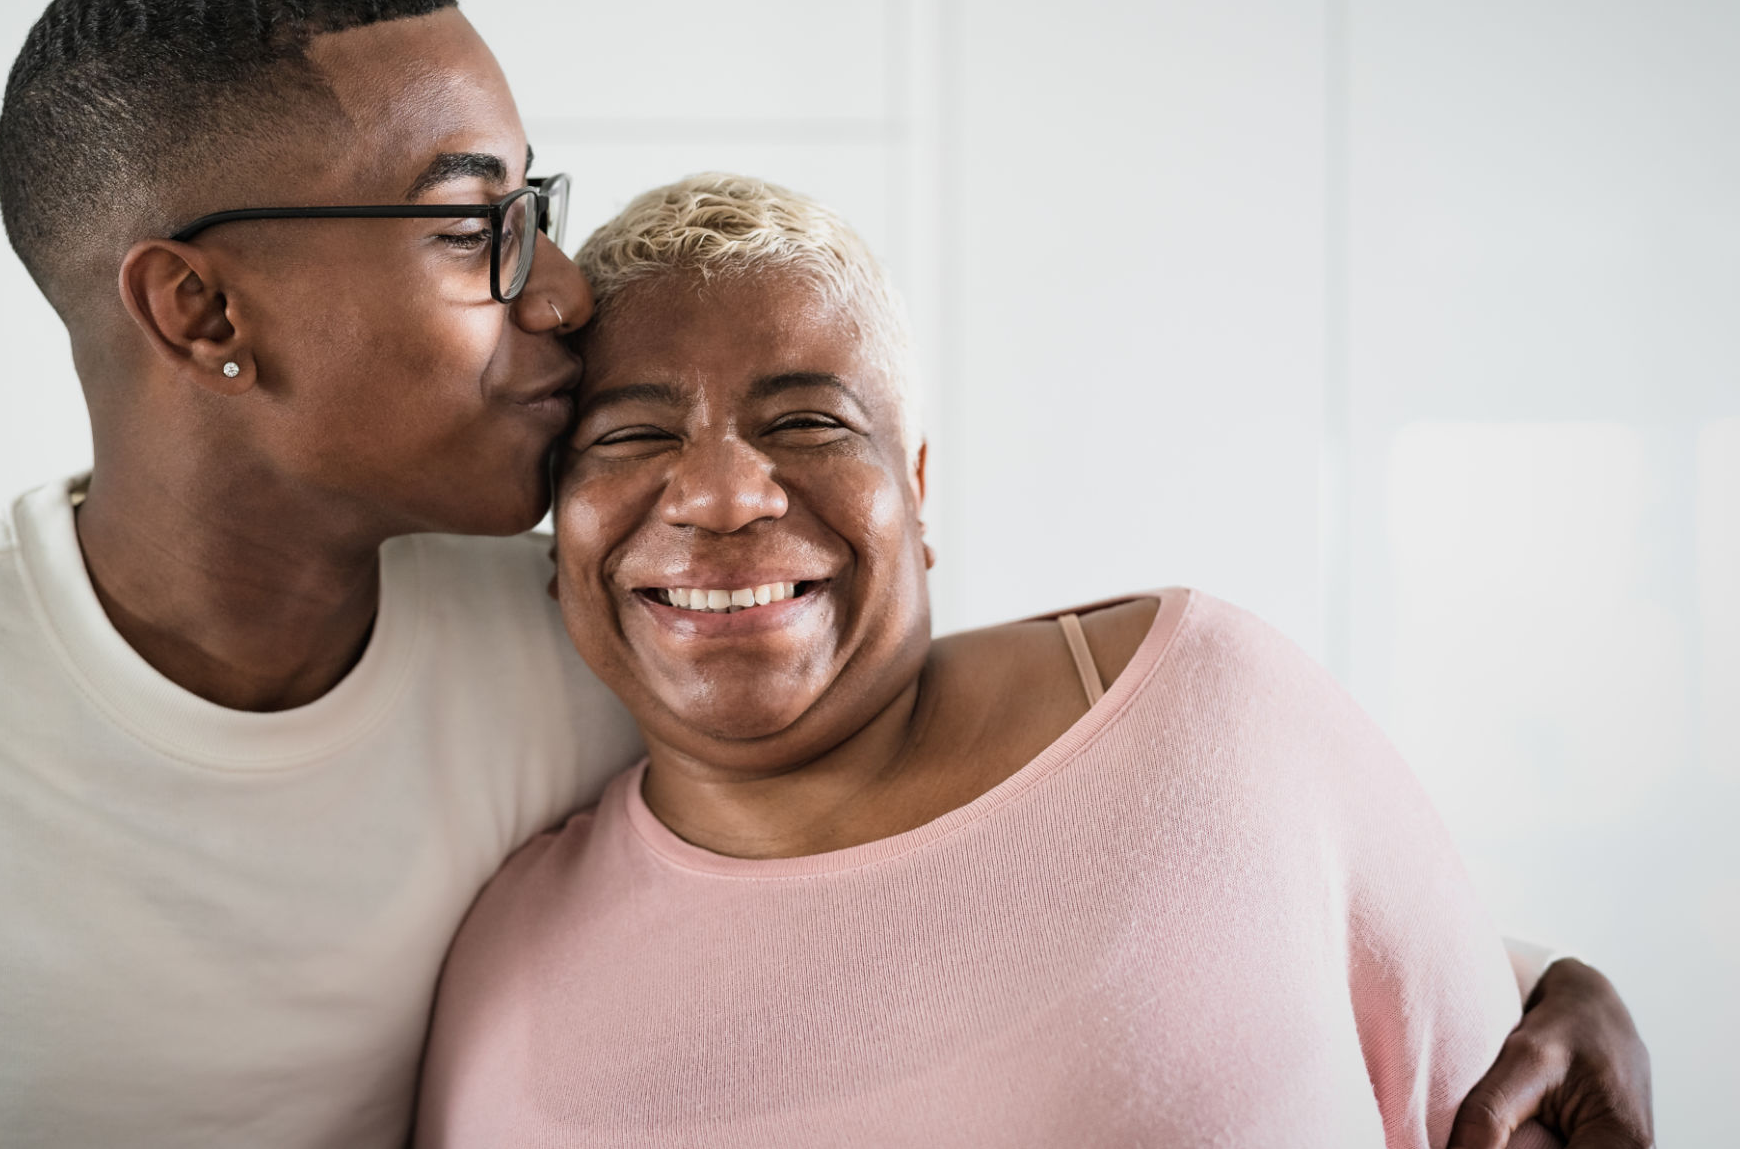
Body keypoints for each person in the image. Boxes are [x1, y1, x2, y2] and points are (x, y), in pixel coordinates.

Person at [0, 0, 1644, 1147]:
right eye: (479, 225)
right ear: (203, 313)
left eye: (540, 215)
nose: (550, 296)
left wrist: (1534, 971)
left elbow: (1072, 821)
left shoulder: (560, 630)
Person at [415, 174, 1652, 1149]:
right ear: (555, 537)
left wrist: (1558, 977)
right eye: (630, 434)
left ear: (915, 490)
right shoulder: (498, 955)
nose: (728, 493)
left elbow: (1483, 1073)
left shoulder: (1211, 707)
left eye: (806, 423)